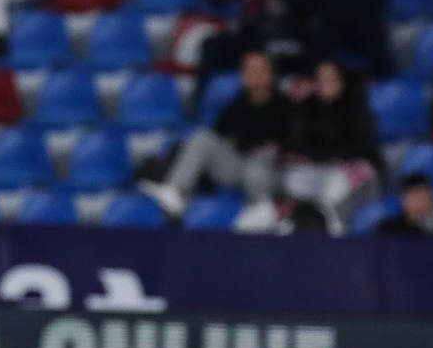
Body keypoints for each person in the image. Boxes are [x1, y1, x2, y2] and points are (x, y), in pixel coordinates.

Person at [139, 50, 291, 219]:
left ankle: (264, 210)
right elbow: (220, 136)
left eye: (258, 70)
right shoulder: (236, 105)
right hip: (237, 165)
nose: (252, 75)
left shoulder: (285, 106)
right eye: (248, 70)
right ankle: (177, 191)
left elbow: (290, 142)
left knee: (260, 161)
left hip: (267, 169)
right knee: (202, 137)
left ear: (269, 74)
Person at [282, 59, 383, 223]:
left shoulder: (355, 108)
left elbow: (362, 146)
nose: (326, 84)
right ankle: (304, 222)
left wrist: (336, 156)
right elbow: (296, 144)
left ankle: (331, 226)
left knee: (337, 184)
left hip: (344, 170)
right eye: (321, 79)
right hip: (314, 169)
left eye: (331, 79)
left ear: (341, 81)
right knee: (291, 180)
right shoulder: (307, 107)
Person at [376, 172, 433, 237]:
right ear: (402, 199)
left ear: (431, 199)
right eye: (414, 196)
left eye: (422, 197)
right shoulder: (388, 230)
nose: (418, 203)